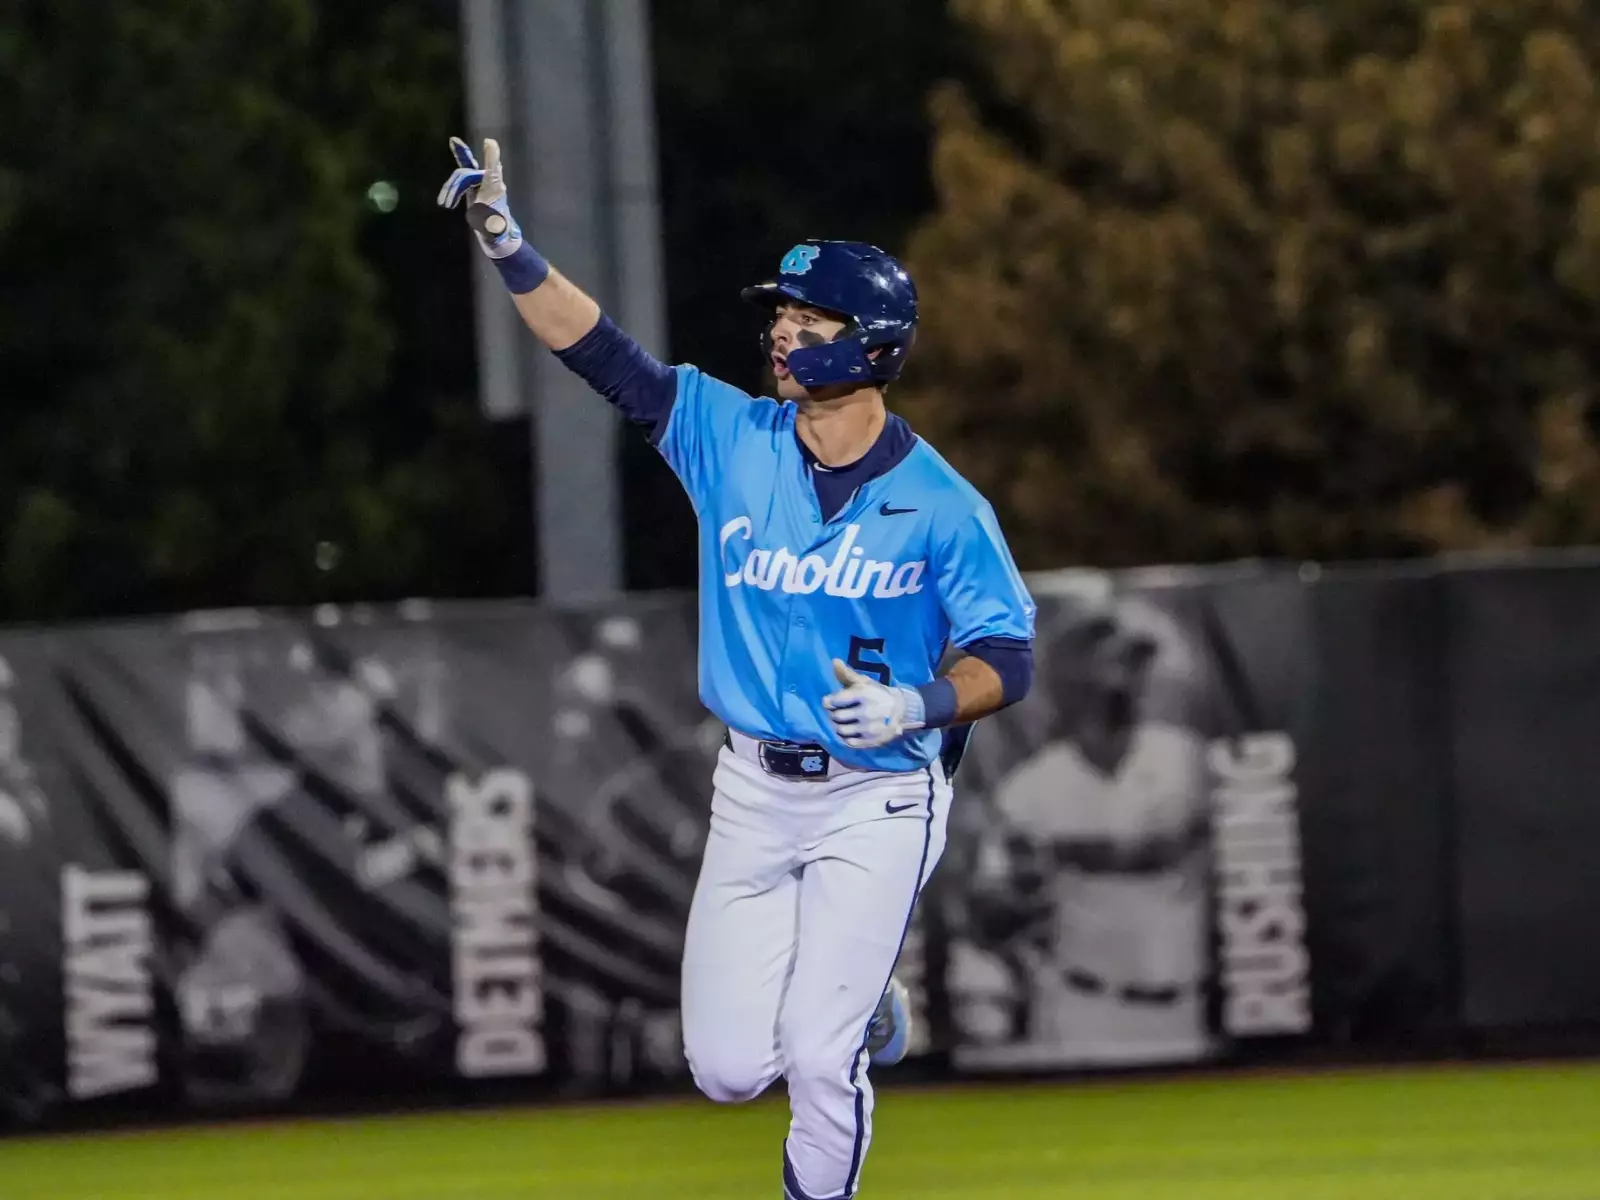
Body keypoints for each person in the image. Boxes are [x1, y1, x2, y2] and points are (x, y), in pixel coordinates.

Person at [439, 138, 1035, 1199]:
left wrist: (925, 699)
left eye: (811, 323)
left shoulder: (944, 504)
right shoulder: (730, 435)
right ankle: (872, 1007)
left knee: (817, 1058)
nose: (784, 335)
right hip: (753, 789)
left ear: (873, 345)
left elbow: (1008, 656)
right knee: (723, 1070)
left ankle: (836, 1098)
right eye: (782, 319)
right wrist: (509, 246)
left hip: (881, 792)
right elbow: (603, 356)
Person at [957, 599, 1213, 1067]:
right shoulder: (1030, 789)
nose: (1131, 678)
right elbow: (990, 912)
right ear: (1072, 677)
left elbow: (1165, 847)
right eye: (1116, 661)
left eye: (1136, 663)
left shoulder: (1181, 755)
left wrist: (1060, 850)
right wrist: (1011, 896)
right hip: (1081, 1007)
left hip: (1186, 1007)